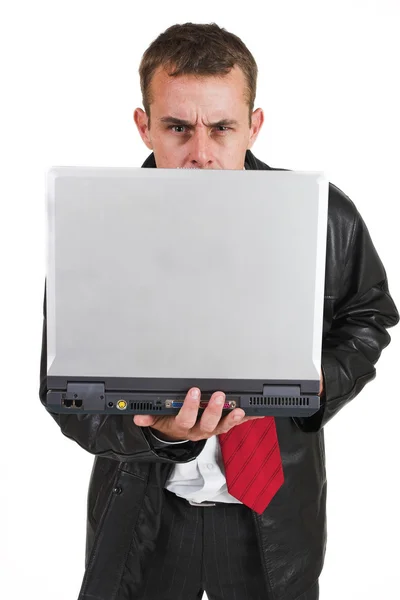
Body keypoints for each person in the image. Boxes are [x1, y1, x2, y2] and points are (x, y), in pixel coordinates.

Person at [39, 22, 399, 600]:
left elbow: (369, 315)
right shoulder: (98, 226)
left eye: (222, 128)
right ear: (144, 126)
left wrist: (302, 388)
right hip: (145, 513)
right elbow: (64, 392)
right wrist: (160, 436)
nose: (200, 155)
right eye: (178, 128)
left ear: (253, 126)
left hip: (272, 516)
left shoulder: (322, 217)